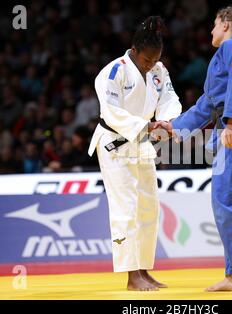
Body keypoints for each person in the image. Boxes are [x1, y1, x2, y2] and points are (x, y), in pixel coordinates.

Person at [162, 6, 232, 293]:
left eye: (214, 25)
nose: (211, 31)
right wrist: (175, 126)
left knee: (225, 203)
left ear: (226, 24)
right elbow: (206, 104)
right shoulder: (230, 53)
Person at [88, 16, 182, 291]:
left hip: (142, 142)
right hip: (115, 143)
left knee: (148, 206)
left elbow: (169, 100)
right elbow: (111, 112)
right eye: (146, 60)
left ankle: (144, 269)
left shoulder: (159, 70)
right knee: (125, 208)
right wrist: (146, 125)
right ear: (134, 50)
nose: (151, 64)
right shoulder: (113, 72)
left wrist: (166, 121)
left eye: (155, 59)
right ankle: (131, 275)